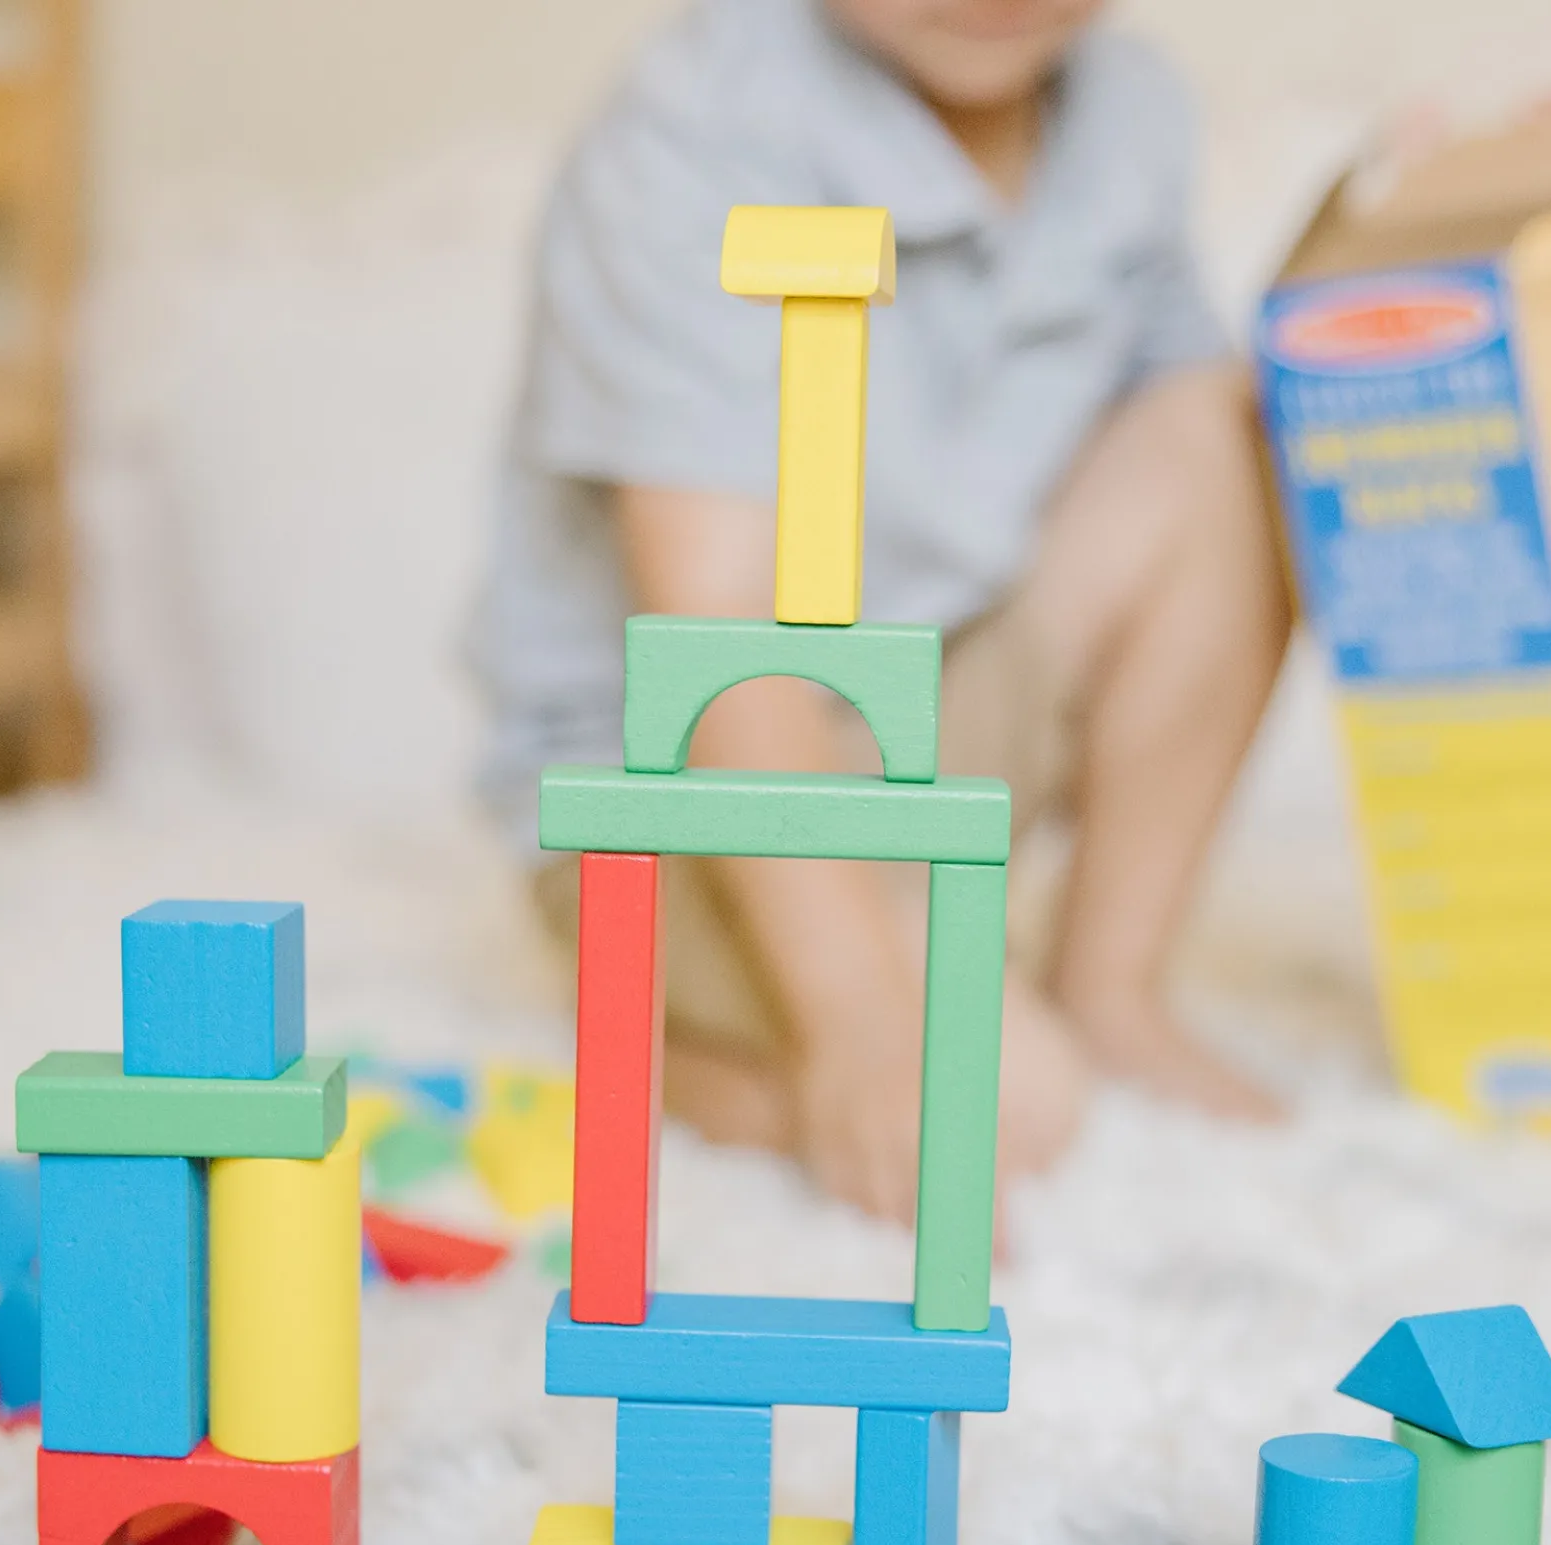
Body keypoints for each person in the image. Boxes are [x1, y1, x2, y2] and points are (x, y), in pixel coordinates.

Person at [469, 0, 1292, 1226]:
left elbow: (1196, 444)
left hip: (934, 704)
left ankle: (1110, 985)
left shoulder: (1128, 114)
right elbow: (720, 628)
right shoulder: (696, 133)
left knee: (1222, 433)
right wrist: (853, 1012)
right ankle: (707, 1070)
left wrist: (1429, 248)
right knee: (1001, 1103)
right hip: (683, 784)